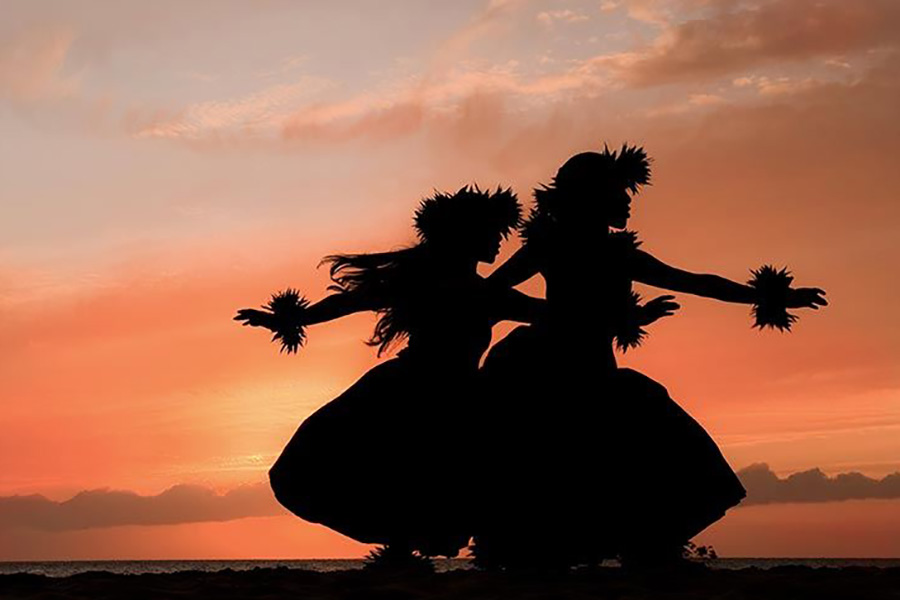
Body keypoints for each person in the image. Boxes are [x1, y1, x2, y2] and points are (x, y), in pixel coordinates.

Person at [471, 146, 827, 569]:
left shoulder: (615, 253)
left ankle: (635, 548)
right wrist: (556, 314)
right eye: (618, 192)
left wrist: (773, 296)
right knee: (568, 462)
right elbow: (489, 292)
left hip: (594, 370)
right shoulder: (552, 245)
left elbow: (697, 283)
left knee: (617, 462)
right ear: (593, 197)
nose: (627, 201)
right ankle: (574, 550)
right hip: (550, 373)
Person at [236, 186, 544, 559]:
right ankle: (402, 546)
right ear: (467, 236)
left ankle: (402, 549)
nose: (499, 241)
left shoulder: (478, 292)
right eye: (493, 232)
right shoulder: (471, 292)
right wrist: (289, 318)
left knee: (410, 472)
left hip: (431, 392)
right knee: (384, 469)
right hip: (420, 390)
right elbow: (347, 302)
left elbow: (551, 313)